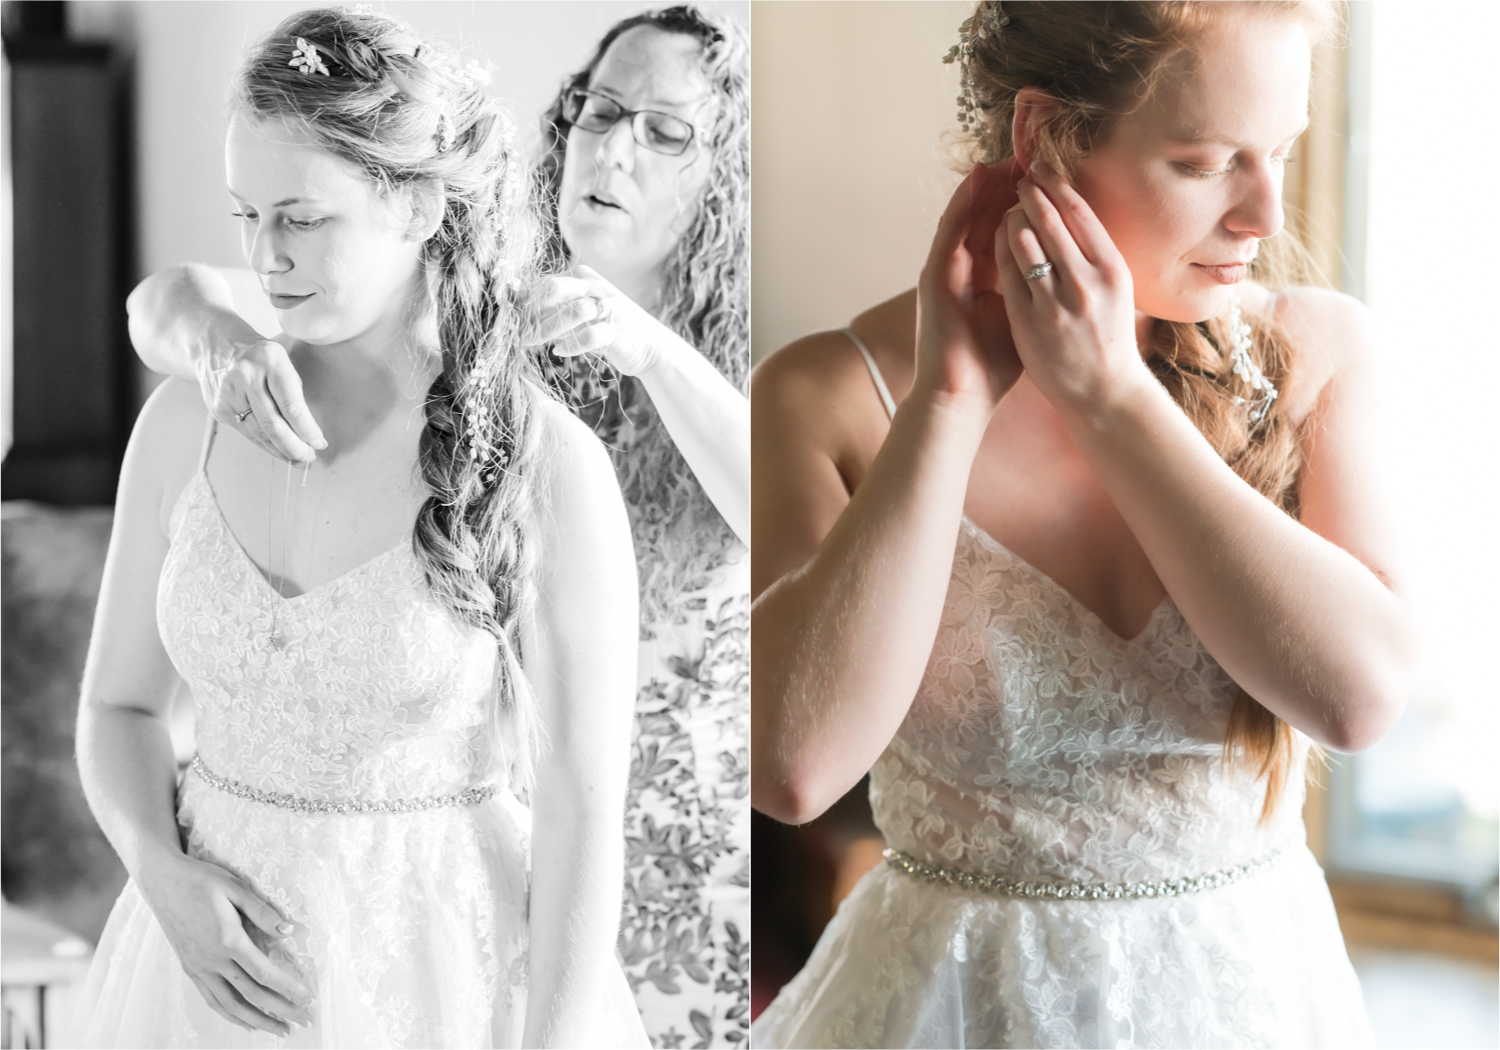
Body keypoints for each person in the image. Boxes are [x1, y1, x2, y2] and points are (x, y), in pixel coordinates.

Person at [751, 2, 1417, 1047]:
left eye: (1281, 153)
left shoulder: (1318, 356)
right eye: (1206, 163)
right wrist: (947, 405)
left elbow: (1359, 700)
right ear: (1043, 138)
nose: (1264, 214)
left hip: (1250, 997)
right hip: (954, 1009)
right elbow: (793, 769)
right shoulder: (825, 396)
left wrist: (1113, 397)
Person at [123, 7, 751, 1047]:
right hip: (244, 934)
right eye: (600, 109)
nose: (612, 146)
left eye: (666, 128)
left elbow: (791, 526)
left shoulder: (593, 427)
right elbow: (171, 297)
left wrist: (649, 353)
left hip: (622, 855)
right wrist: (210, 337)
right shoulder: (428, 315)